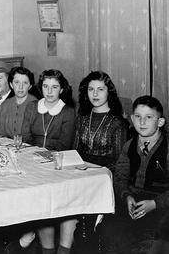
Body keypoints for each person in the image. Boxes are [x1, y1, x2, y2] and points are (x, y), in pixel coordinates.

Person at [102, 96, 169, 253]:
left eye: (149, 117)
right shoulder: (129, 145)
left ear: (160, 122)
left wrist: (154, 204)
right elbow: (120, 178)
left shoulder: (166, 148)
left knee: (151, 239)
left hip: (161, 205)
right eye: (138, 117)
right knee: (110, 231)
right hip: (133, 201)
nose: (142, 122)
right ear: (132, 119)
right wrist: (127, 196)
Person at [21, 69, 76, 254]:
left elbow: (64, 144)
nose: (49, 91)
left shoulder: (68, 111)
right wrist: (33, 156)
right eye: (45, 86)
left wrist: (43, 157)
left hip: (56, 165)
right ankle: (45, 247)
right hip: (30, 160)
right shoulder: (32, 106)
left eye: (54, 87)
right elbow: (25, 136)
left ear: (61, 89)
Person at [73, 71, 128, 171]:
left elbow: (119, 162)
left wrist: (90, 166)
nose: (95, 94)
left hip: (104, 174)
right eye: (91, 89)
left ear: (109, 92)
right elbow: (74, 152)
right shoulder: (82, 118)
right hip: (80, 171)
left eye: (100, 89)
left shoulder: (117, 123)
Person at [0, 67, 39, 138]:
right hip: (7, 146)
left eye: (25, 83)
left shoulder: (37, 105)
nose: (21, 87)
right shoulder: (5, 104)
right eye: (17, 82)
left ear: (30, 86)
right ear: (11, 85)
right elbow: (1, 133)